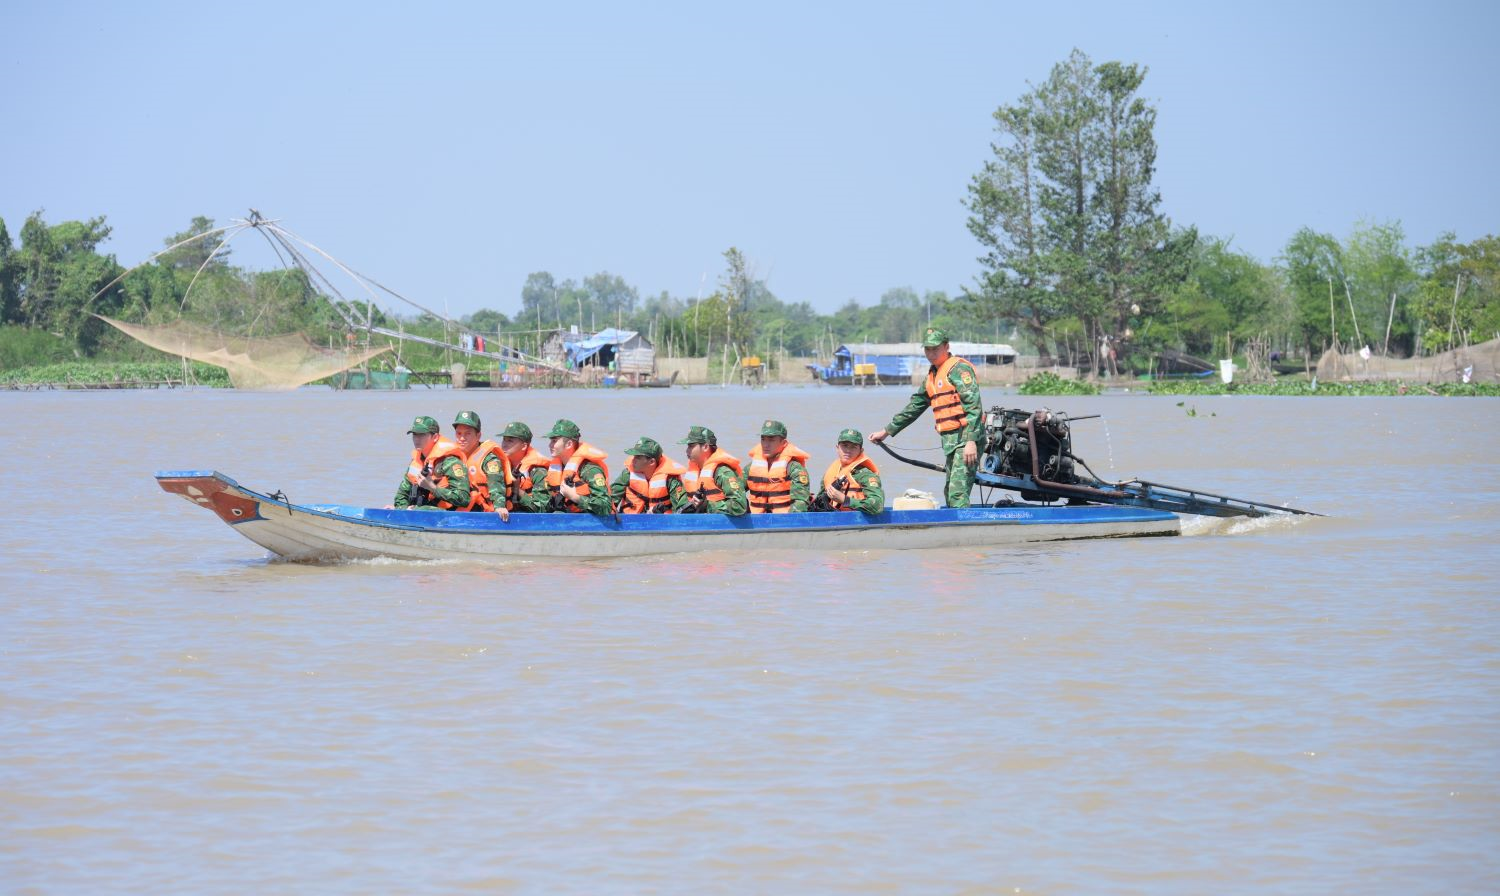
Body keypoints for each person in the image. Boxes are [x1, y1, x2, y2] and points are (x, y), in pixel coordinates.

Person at [869, 325, 984, 508]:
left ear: (946, 346)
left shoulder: (959, 370)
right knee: (949, 491)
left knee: (957, 493)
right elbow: (915, 407)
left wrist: (971, 441)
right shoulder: (932, 376)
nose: (931, 353)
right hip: (950, 441)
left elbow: (974, 407)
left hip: (966, 437)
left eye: (935, 349)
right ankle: (954, 528)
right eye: (927, 349)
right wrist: (886, 431)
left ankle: (965, 532)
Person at [392, 415, 471, 510]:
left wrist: (432, 488)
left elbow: (464, 498)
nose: (417, 439)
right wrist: (404, 509)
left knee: (422, 510)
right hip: (419, 513)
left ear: (435, 437)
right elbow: (400, 496)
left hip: (447, 516)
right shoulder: (416, 461)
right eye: (414, 435)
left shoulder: (450, 461)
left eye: (421, 435)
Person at [543, 419, 611, 515]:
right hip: (565, 520)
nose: (550, 445)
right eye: (550, 441)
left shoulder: (589, 470)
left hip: (589, 522)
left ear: (569, 444)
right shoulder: (556, 468)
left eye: (554, 441)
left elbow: (605, 506)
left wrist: (574, 497)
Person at [678, 425, 747, 516]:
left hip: (723, 526)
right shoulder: (696, 471)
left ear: (705, 447)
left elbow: (739, 506)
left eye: (691, 446)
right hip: (703, 525)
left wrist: (707, 506)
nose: (687, 451)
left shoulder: (722, 472)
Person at [746, 419, 811, 513]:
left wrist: (787, 523)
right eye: (763, 439)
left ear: (783, 443)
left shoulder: (794, 468)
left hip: (782, 520)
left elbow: (800, 502)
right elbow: (735, 492)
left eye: (771, 440)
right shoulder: (751, 467)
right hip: (755, 520)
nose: (765, 445)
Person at [813, 428, 884, 515]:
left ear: (861, 451)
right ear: (837, 448)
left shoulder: (865, 475)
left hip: (857, 522)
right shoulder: (830, 473)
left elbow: (877, 506)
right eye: (845, 445)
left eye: (853, 447)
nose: (848, 451)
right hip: (832, 520)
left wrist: (845, 500)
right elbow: (820, 501)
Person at [610, 437, 690, 514]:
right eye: (634, 456)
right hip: (630, 523)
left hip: (661, 524)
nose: (633, 459)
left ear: (651, 462)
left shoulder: (671, 480)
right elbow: (610, 500)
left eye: (638, 457)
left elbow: (681, 509)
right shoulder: (627, 474)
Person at [451, 410, 508, 515]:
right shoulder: (451, 457)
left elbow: (496, 485)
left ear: (478, 435)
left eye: (467, 433)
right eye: (459, 433)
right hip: (457, 508)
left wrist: (499, 506)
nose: (462, 438)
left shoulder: (489, 460)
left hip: (482, 512)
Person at [499, 421, 550, 517]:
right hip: (506, 515)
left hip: (530, 519)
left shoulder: (537, 471)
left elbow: (542, 509)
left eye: (510, 441)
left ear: (524, 446)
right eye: (504, 440)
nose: (504, 444)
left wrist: (517, 490)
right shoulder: (499, 466)